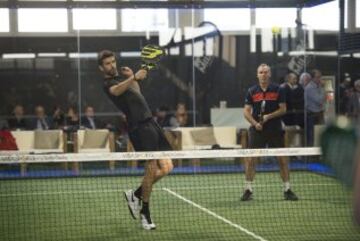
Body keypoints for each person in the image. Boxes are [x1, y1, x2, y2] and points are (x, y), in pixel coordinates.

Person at [99, 50, 173, 230]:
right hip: (139, 127)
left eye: (113, 61)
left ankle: (135, 194)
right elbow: (116, 91)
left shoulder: (124, 78)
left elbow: (137, 93)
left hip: (151, 122)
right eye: (107, 63)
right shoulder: (108, 83)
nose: (112, 65)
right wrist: (133, 78)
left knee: (168, 166)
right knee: (151, 167)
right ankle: (145, 214)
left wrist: (133, 77)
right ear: (101, 68)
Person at [241, 63, 298, 201]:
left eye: (266, 72)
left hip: (275, 129)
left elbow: (283, 109)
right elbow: (246, 112)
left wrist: (268, 116)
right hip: (257, 130)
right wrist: (255, 124)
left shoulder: (278, 90)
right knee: (251, 160)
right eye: (261, 72)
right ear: (257, 75)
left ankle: (287, 189)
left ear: (270, 74)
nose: (263, 75)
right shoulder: (252, 91)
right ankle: (248, 189)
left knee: (282, 160)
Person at [304, 69, 326, 146]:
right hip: (312, 114)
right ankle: (311, 155)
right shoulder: (310, 88)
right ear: (312, 78)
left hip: (319, 113)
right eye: (318, 77)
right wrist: (323, 89)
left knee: (320, 135)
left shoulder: (318, 86)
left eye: (320, 77)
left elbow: (323, 100)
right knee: (312, 136)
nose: (320, 79)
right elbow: (319, 100)